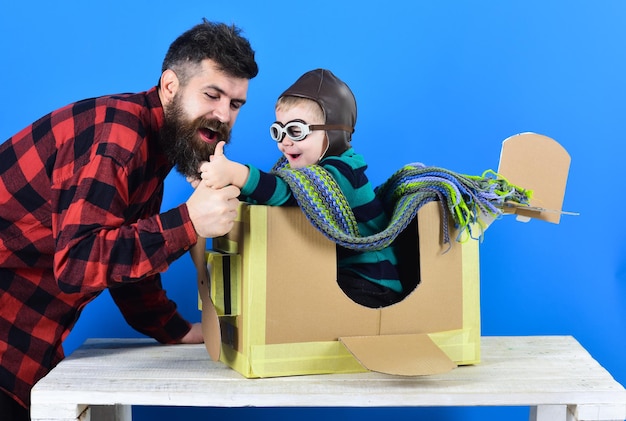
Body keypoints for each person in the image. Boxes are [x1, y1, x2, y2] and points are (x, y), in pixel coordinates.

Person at [0, 19, 258, 420]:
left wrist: (176, 331)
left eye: (235, 104)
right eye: (212, 95)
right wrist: (188, 221)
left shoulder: (152, 146)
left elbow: (122, 257)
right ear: (170, 86)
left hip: (25, 351)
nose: (223, 115)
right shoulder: (117, 135)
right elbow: (80, 263)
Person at [194, 69, 403, 309]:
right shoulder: (304, 174)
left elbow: (290, 194)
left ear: (334, 133)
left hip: (372, 281)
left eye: (296, 131)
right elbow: (274, 198)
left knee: (299, 298)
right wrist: (225, 185)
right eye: (279, 132)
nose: (284, 142)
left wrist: (238, 174)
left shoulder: (345, 172)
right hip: (340, 273)